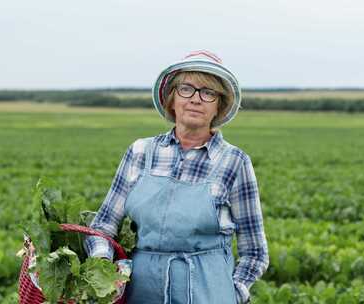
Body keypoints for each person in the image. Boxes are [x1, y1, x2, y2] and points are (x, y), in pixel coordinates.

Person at [85, 50, 269, 304]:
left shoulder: (234, 162)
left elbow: (255, 252)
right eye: (186, 89)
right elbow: (103, 226)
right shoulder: (140, 152)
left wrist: (232, 293)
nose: (196, 99)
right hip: (141, 294)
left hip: (209, 293)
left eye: (208, 92)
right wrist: (102, 270)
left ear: (218, 106)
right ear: (172, 100)